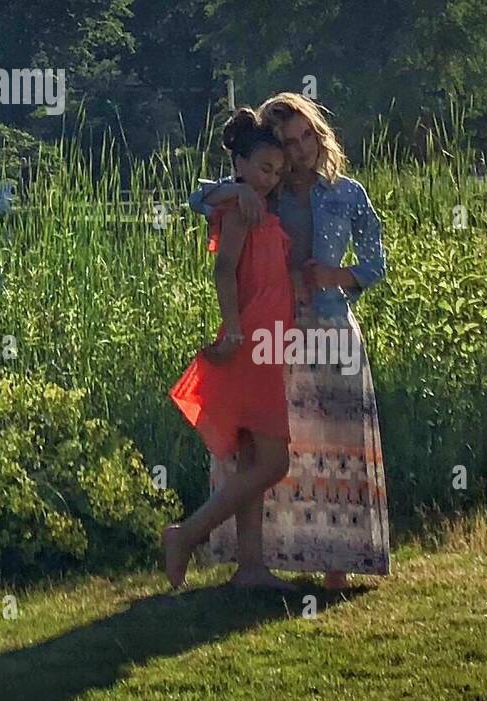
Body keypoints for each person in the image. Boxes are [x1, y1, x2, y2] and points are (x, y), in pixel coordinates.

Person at [189, 92, 390, 589]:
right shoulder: (266, 190)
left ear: (320, 135)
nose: (300, 151)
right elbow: (198, 198)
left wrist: (334, 275)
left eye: (307, 137)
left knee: (337, 441)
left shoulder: (347, 193)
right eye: (289, 141)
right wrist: (239, 193)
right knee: (281, 447)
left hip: (332, 325)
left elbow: (374, 264)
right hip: (277, 328)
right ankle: (262, 560)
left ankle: (337, 566)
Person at [163, 108, 303, 591]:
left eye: (278, 171)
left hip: (268, 340)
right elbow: (224, 270)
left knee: (250, 459)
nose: (271, 178)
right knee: (273, 462)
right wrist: (234, 328)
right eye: (264, 168)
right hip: (254, 342)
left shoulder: (253, 202)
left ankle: (251, 567)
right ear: (240, 164)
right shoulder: (241, 207)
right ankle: (187, 534)